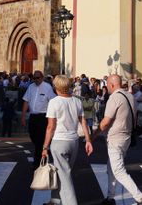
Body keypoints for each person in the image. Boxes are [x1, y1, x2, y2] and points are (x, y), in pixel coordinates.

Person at [95, 74, 142, 205]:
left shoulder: (114, 98)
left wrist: (93, 135)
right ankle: (110, 197)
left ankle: (140, 198)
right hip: (126, 137)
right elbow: (134, 118)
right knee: (111, 168)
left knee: (118, 171)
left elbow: (105, 122)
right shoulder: (130, 96)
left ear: (112, 85)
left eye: (108, 84)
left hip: (116, 138)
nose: (107, 87)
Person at [41, 75, 94, 205]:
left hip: (59, 141)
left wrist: (45, 147)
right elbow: (83, 122)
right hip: (74, 141)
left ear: (56, 87)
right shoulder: (77, 101)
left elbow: (50, 127)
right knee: (63, 173)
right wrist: (88, 140)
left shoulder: (54, 102)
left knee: (64, 176)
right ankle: (55, 200)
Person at [21, 70, 55, 168]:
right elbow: (26, 101)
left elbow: (52, 101)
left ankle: (37, 163)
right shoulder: (31, 87)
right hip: (33, 116)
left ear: (42, 78)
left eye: (38, 78)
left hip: (43, 117)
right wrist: (23, 116)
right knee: (33, 136)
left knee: (39, 141)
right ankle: (45, 149)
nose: (36, 80)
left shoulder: (47, 87)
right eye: (34, 78)